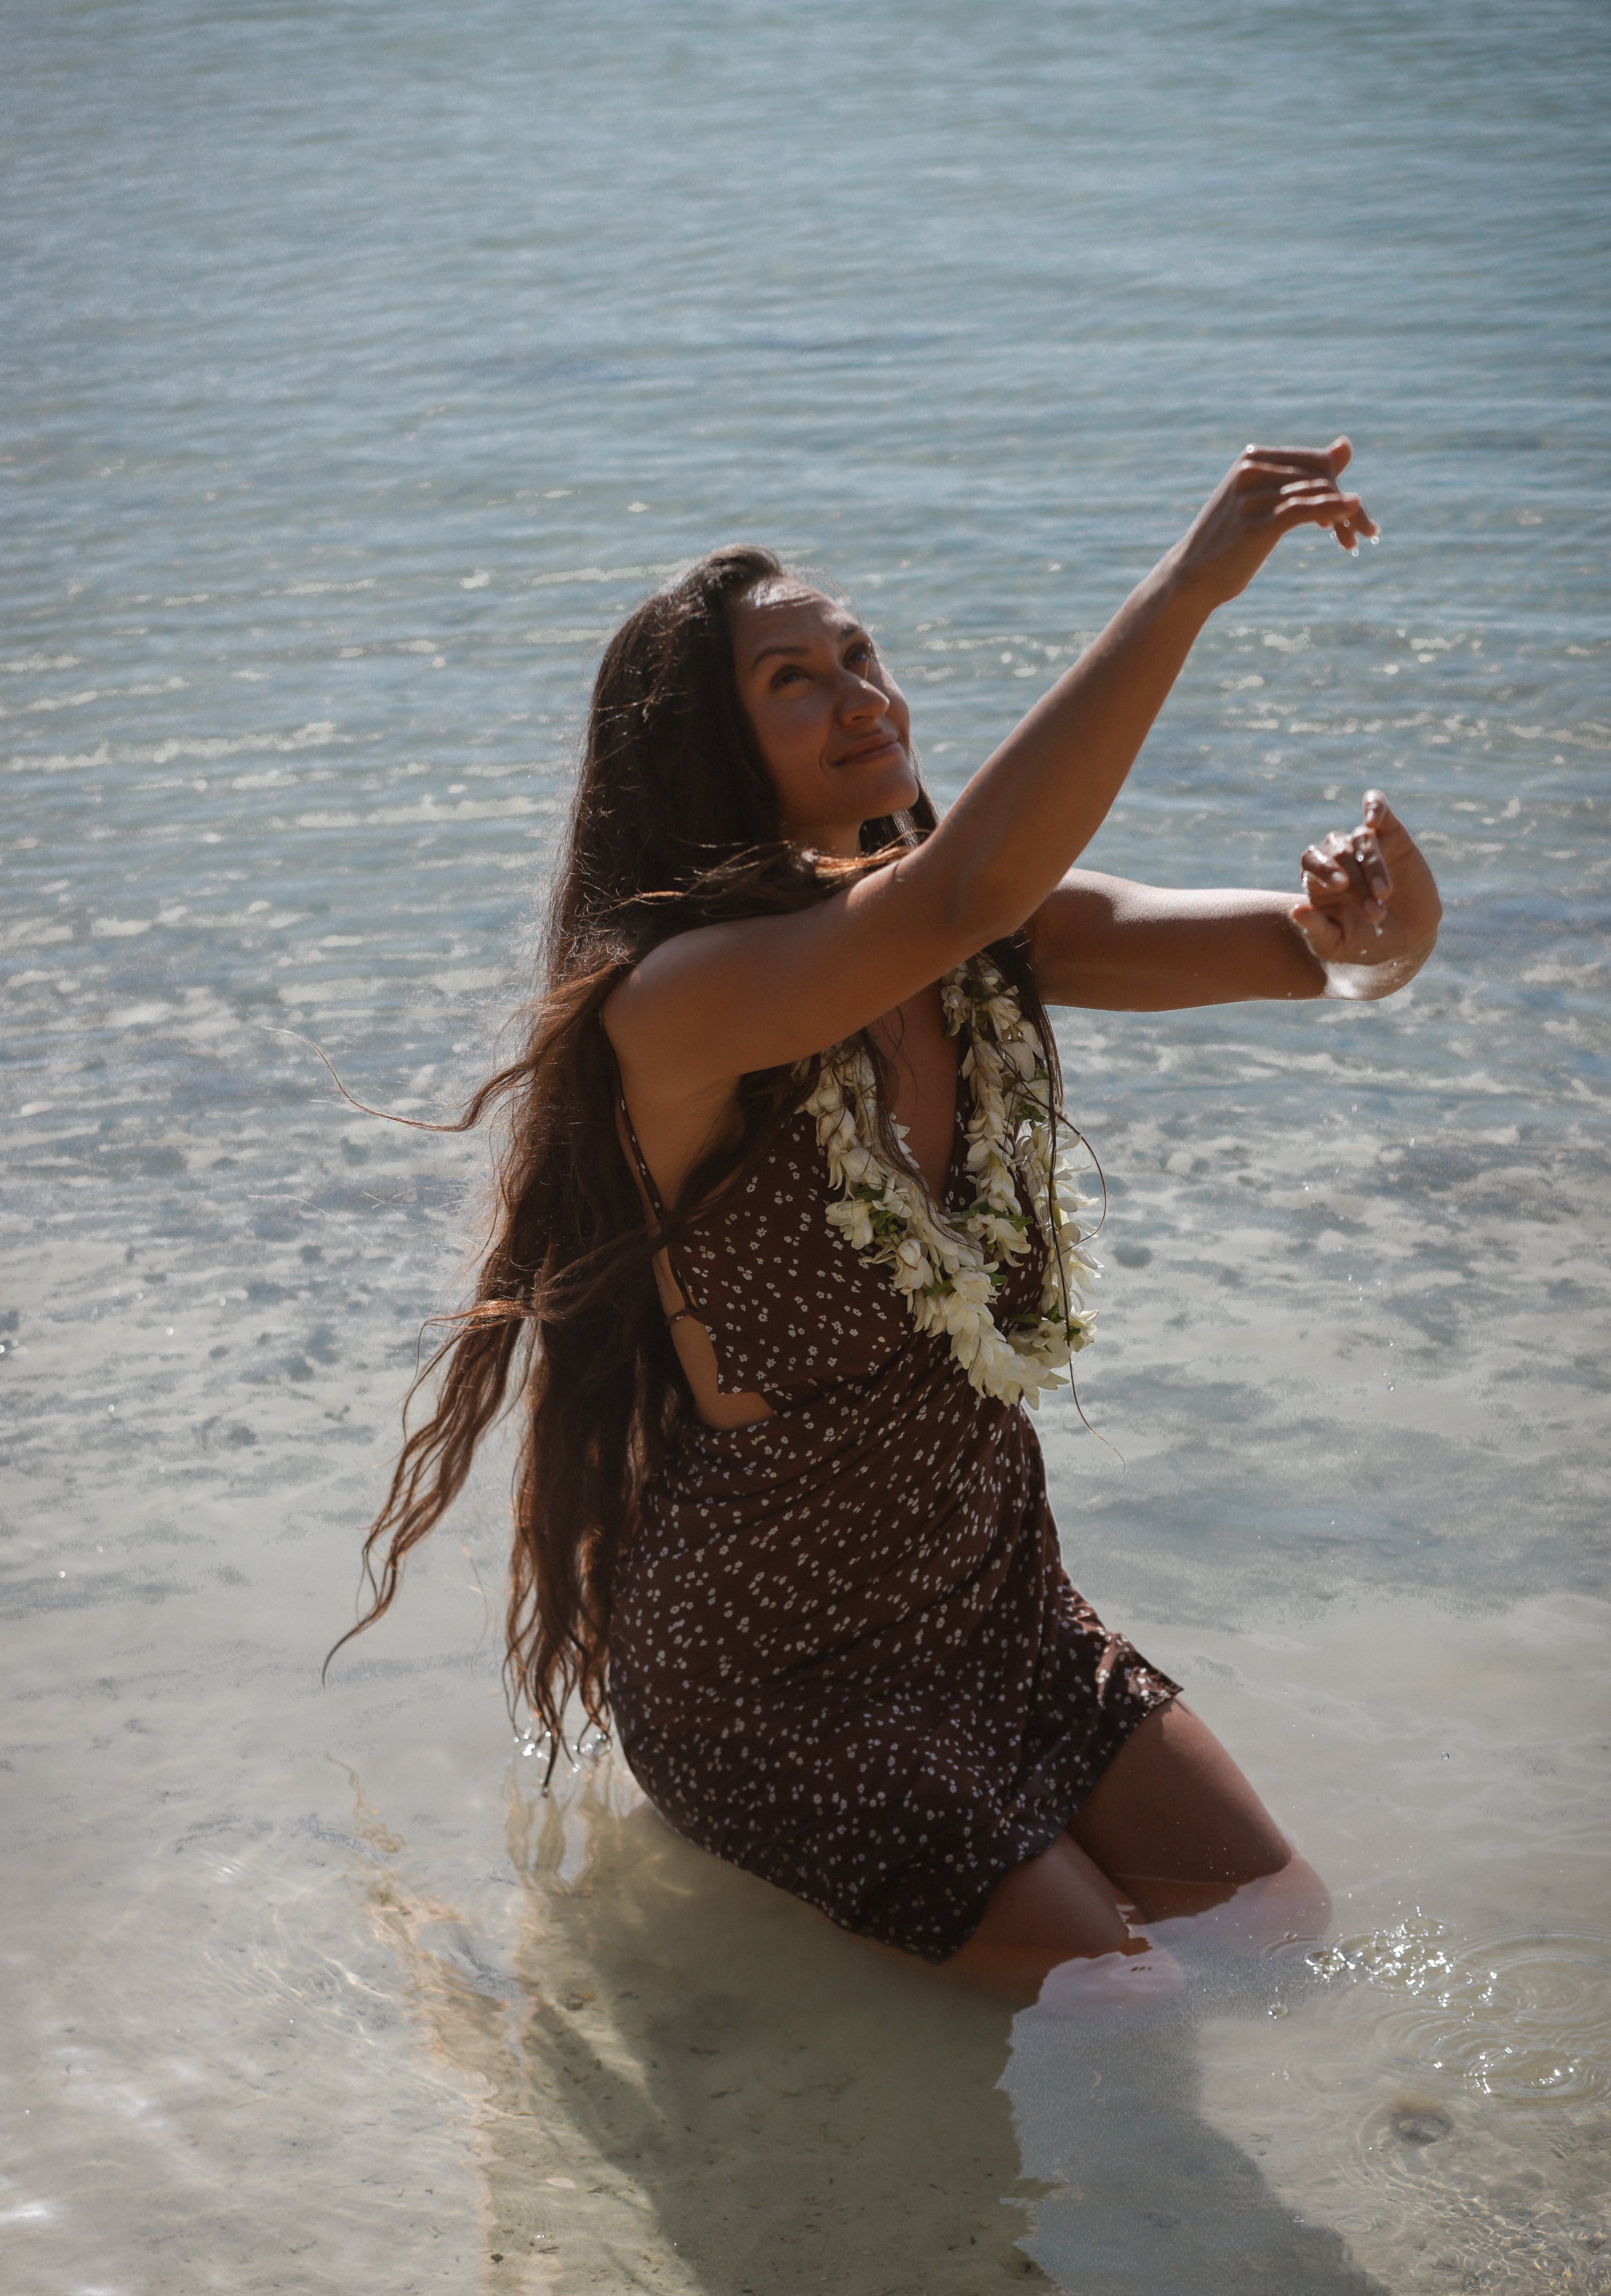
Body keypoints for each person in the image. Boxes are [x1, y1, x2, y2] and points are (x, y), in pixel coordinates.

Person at [355, 438, 1441, 2003]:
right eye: (793, 680)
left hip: (999, 1607)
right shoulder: (685, 1004)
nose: (861, 694)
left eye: (860, 654)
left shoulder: (984, 943)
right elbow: (954, 892)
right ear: (710, 759)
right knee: (1119, 2001)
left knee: (1280, 1933)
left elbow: (1317, 958)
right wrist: (1190, 588)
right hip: (776, 1681)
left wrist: (1390, 921)